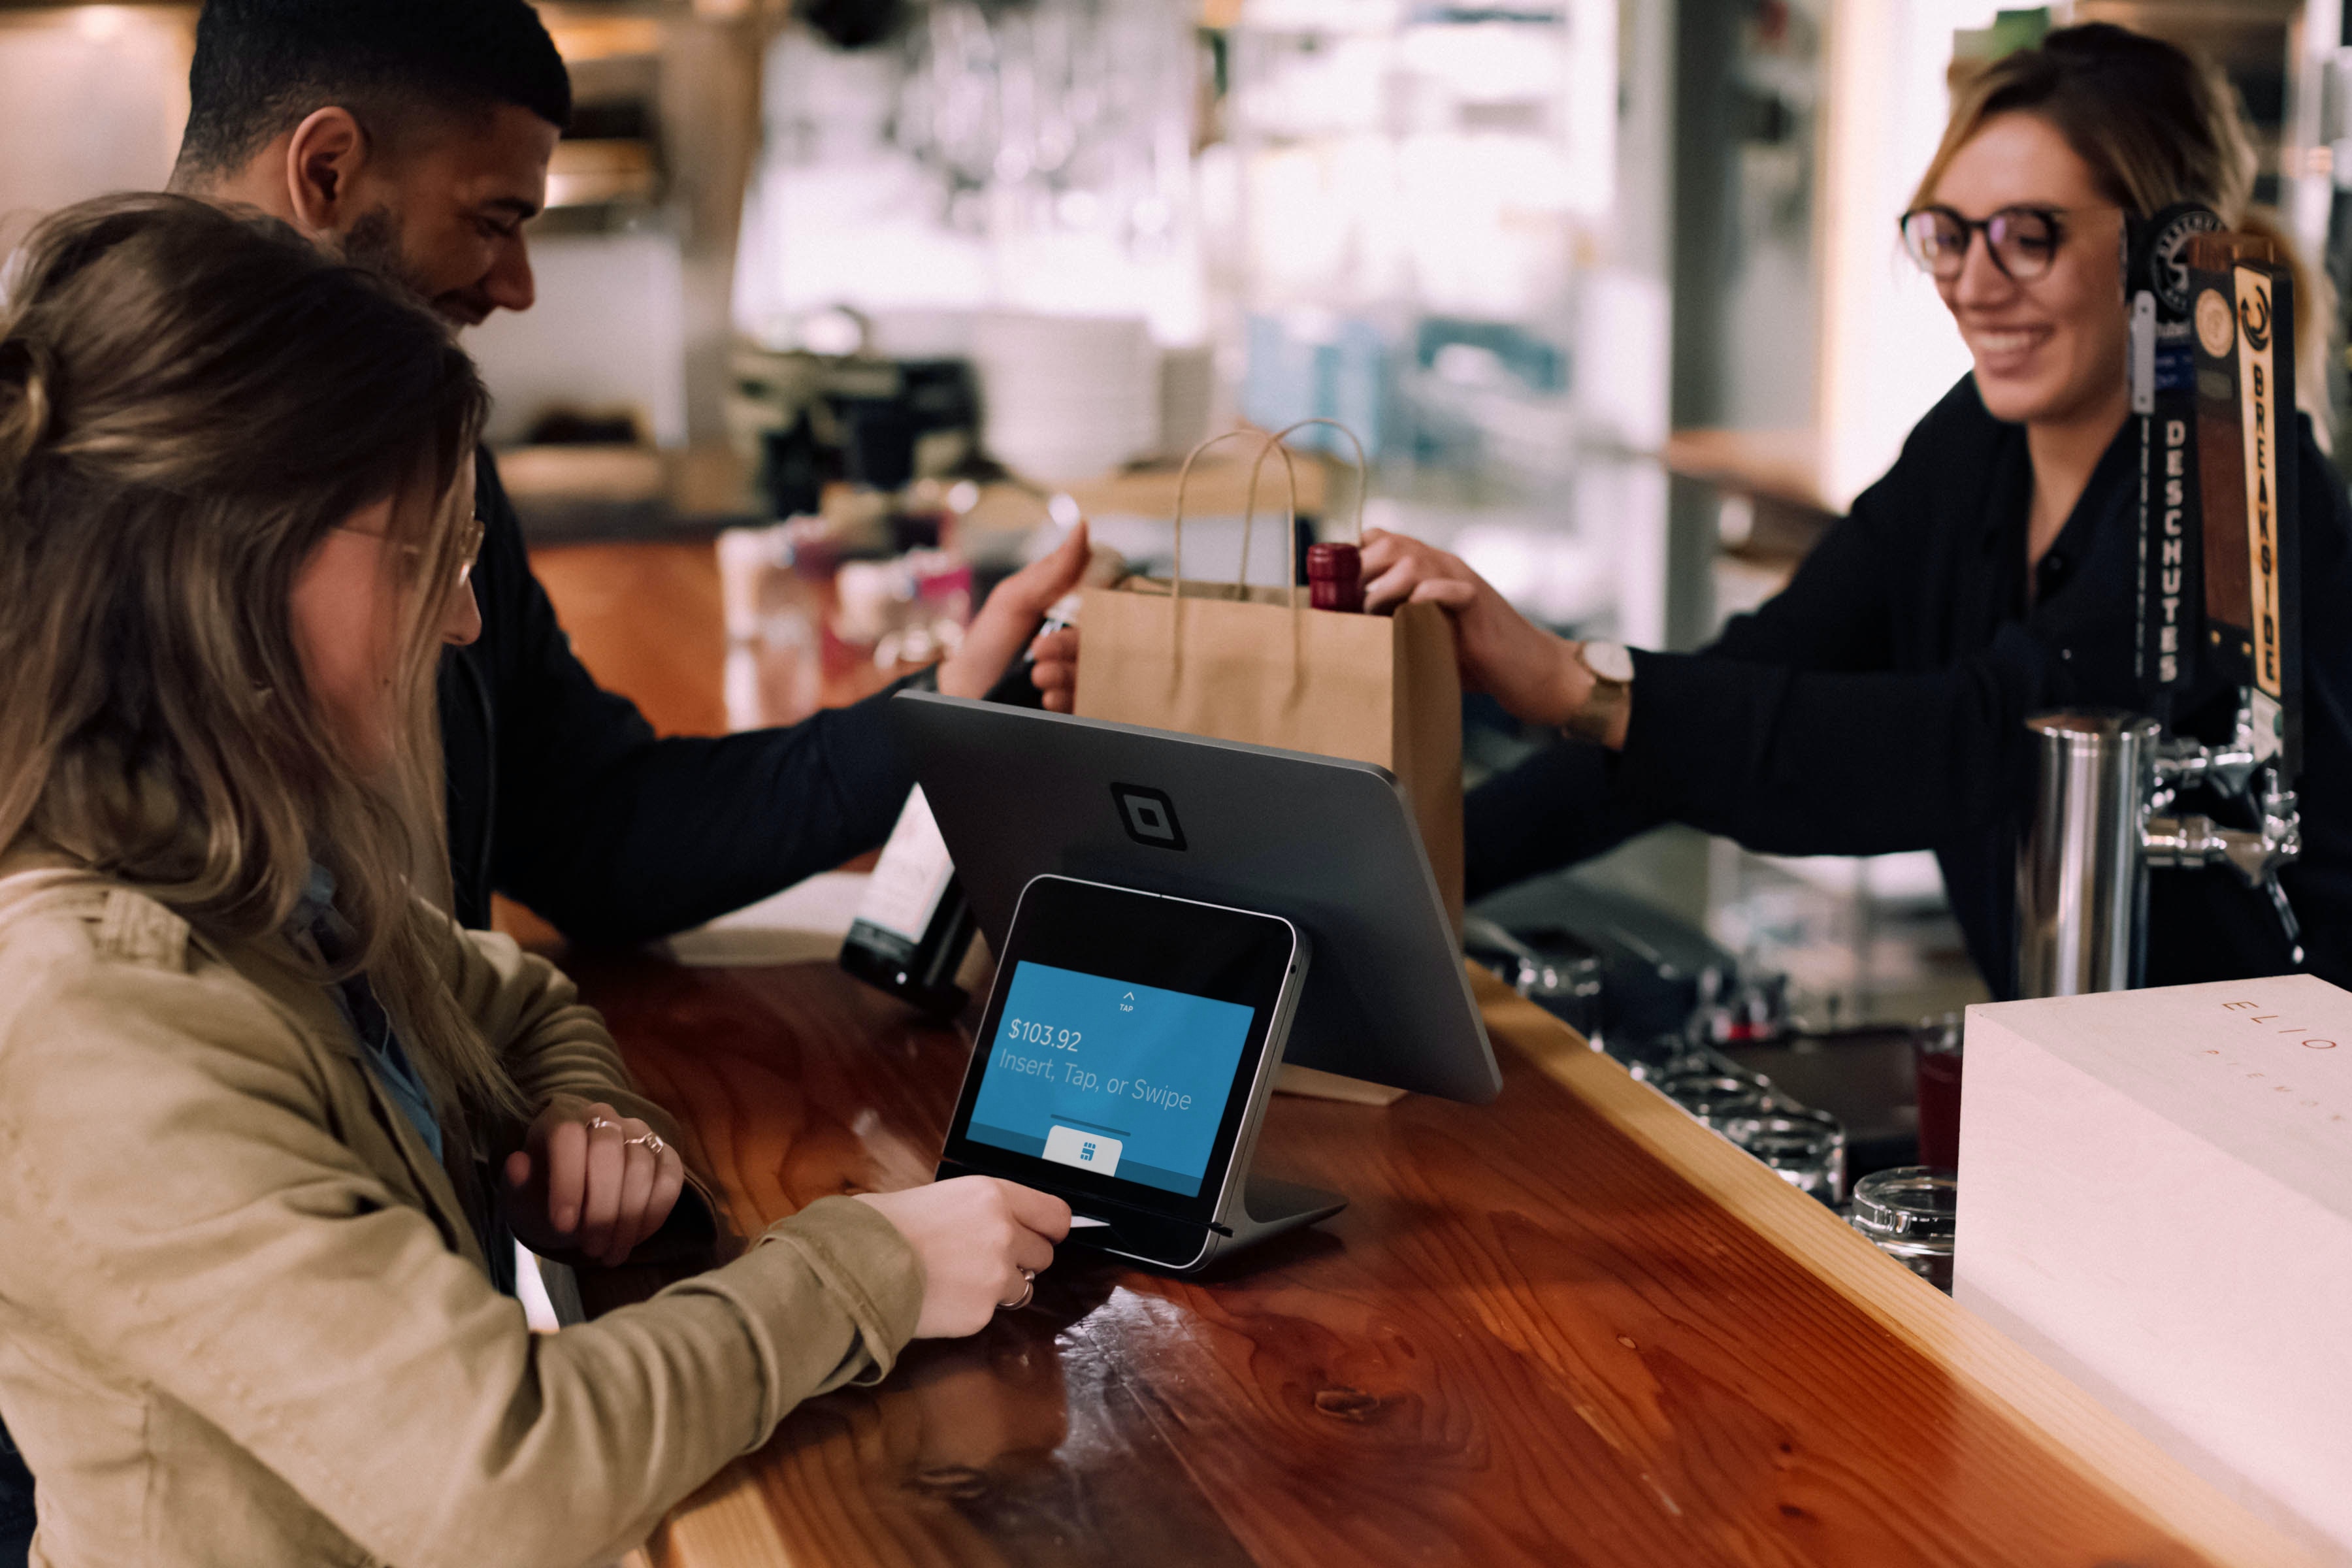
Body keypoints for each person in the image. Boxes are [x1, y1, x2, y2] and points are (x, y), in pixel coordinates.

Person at [0, 194, 1068, 1568]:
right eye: (422, 557)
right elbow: (507, 1478)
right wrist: (875, 1268)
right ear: (227, 563)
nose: (462, 617)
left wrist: (584, 1118)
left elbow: (508, 990)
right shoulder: (94, 1014)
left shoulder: (252, 867)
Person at [1042, 23, 2352, 999]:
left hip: (2289, 1100)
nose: (1974, 282)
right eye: (1947, 234)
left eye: (2030, 234)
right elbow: (1747, 685)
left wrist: (1576, 682)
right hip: (2100, 1074)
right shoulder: (1976, 452)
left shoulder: (2236, 500)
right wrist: (1358, 897)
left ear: (2166, 256)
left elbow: (1968, 750)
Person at [168, 0, 1086, 939]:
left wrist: (954, 712)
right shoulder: (54, 506)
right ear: (327, 172)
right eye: (492, 221)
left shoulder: (436, 469)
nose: (516, 287)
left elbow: (594, 830)